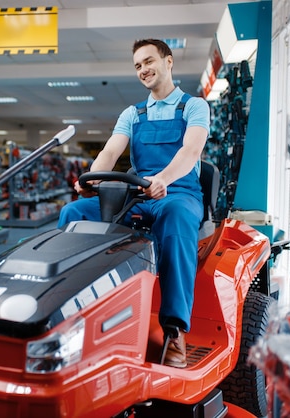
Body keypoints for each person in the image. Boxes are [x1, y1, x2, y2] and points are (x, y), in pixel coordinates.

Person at [57, 38, 210, 368]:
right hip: (138, 196)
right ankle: (67, 311)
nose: (143, 69)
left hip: (179, 193)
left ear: (169, 62)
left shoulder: (194, 107)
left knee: (176, 219)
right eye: (138, 65)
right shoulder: (133, 113)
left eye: (149, 61)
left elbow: (190, 152)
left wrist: (164, 180)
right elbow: (110, 152)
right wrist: (93, 178)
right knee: (73, 213)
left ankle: (175, 329)